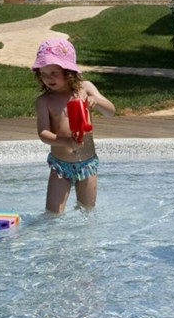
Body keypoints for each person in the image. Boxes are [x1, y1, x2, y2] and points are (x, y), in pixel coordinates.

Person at [32, 37, 115, 213]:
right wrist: (65, 141)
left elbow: (111, 112)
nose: (49, 79)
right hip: (60, 165)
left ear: (68, 71)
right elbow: (43, 133)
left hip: (87, 164)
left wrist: (96, 101)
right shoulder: (45, 101)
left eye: (54, 73)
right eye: (44, 74)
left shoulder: (85, 88)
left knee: (87, 210)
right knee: (53, 212)